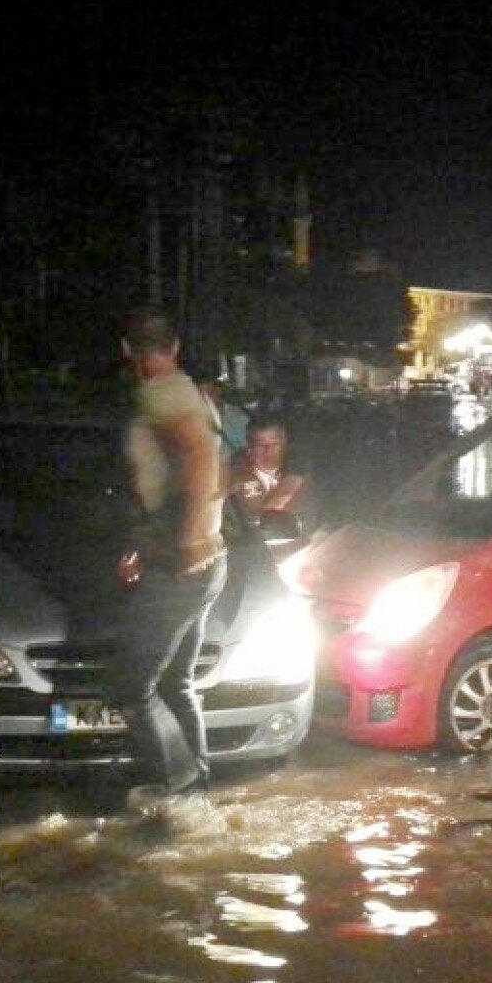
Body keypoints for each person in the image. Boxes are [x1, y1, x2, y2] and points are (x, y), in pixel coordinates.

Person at [115, 308, 229, 799]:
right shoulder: (193, 393)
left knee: (131, 688)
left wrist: (187, 542)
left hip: (184, 566)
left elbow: (201, 457)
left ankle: (178, 790)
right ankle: (194, 787)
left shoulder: (161, 393)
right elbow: (205, 468)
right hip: (207, 560)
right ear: (175, 346)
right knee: (176, 684)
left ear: (126, 350)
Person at [230, 418, 312, 545]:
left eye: (274, 444)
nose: (269, 451)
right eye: (261, 445)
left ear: (284, 443)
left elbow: (285, 493)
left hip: (308, 543)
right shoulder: (235, 471)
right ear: (249, 448)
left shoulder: (298, 463)